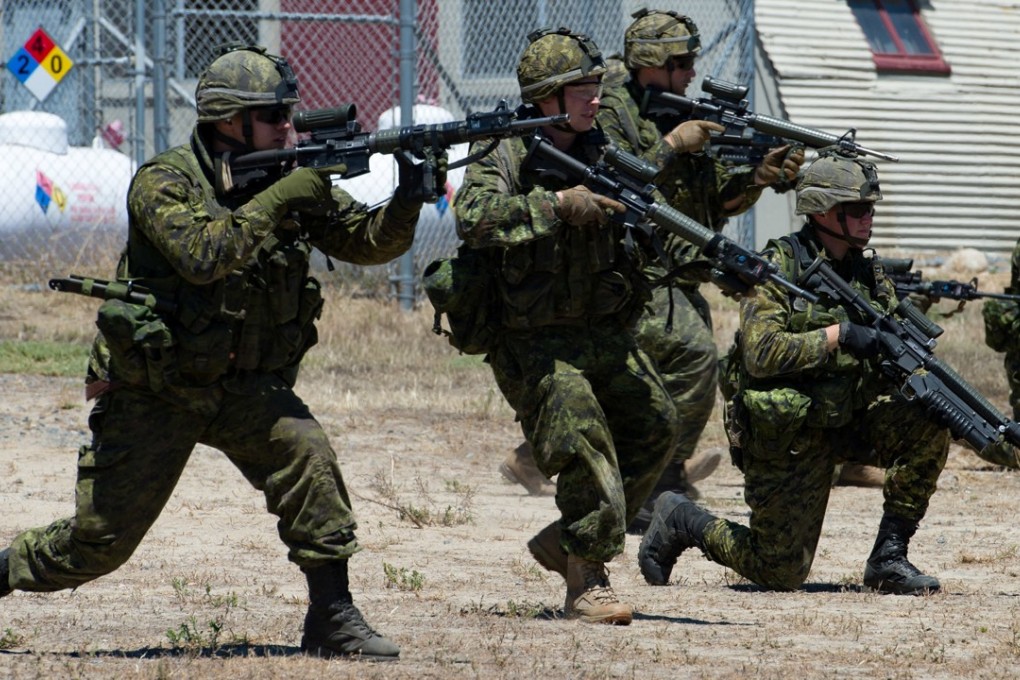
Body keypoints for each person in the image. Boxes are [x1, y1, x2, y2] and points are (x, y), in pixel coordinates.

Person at [0, 43, 438, 661]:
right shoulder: (164, 180)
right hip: (158, 384)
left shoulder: (283, 176)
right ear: (232, 122)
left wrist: (409, 199)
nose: (289, 128)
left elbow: (365, 243)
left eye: (290, 115)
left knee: (306, 454)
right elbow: (204, 255)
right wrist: (287, 195)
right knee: (96, 545)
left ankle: (332, 616)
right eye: (275, 117)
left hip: (242, 385)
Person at [497, 9, 807, 511]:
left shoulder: (676, 106)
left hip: (672, 261)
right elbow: (619, 182)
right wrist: (671, 144)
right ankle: (660, 480)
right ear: (652, 62)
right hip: (628, 265)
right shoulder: (610, 109)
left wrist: (757, 178)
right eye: (681, 62)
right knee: (690, 354)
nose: (690, 72)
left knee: (652, 371)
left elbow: (713, 200)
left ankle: (541, 458)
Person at [638, 148, 950, 596]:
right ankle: (681, 518)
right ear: (822, 210)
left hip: (846, 417)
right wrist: (837, 335)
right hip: (789, 434)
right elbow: (761, 354)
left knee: (929, 420)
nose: (868, 219)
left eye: (870, 209)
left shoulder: (867, 271)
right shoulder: (778, 267)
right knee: (778, 572)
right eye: (857, 209)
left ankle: (889, 557)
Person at [455, 27, 678, 624]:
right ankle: (588, 578)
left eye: (597, 87)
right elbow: (473, 217)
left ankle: (569, 537)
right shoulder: (502, 149)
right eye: (581, 89)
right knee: (583, 435)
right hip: (531, 339)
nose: (595, 99)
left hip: (601, 330)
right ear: (546, 97)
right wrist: (555, 206)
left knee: (657, 423)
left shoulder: (602, 145)